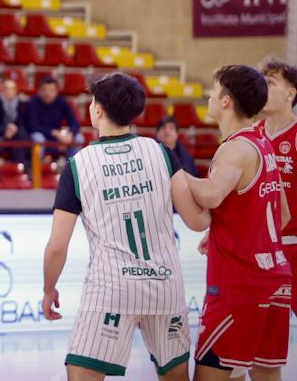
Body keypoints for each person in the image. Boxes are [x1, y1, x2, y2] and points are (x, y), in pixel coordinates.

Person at [41, 73, 208, 380]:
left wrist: (49, 288)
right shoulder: (160, 152)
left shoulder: (79, 165)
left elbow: (57, 247)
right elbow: (197, 221)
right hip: (165, 286)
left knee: (81, 375)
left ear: (98, 110)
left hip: (111, 289)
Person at [187, 65, 291, 380]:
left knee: (210, 376)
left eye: (213, 90)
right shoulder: (264, 144)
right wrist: (225, 228)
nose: (208, 95)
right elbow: (282, 214)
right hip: (276, 279)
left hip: (240, 285)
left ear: (227, 102)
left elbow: (212, 195)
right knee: (263, 375)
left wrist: (176, 176)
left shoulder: (233, 149)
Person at [256, 55, 297, 317]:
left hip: (292, 244)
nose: (263, 88)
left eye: (270, 83)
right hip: (259, 250)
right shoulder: (251, 133)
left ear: (290, 94)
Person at [24, 76, 83, 156]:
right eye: (44, 90)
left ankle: (71, 167)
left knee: (78, 138)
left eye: (51, 90)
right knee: (38, 138)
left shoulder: (61, 102)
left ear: (56, 91)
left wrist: (70, 134)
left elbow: (74, 122)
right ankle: (36, 167)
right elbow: (32, 126)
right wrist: (54, 132)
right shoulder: (33, 102)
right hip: (42, 136)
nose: (47, 94)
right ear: (39, 91)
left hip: (57, 137)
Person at [0, 78, 31, 167]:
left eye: (11, 89)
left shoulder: (21, 104)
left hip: (16, 136)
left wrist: (13, 130)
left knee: (22, 137)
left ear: (16, 90)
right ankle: (21, 168)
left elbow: (24, 123)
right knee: (20, 139)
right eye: (6, 88)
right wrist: (6, 130)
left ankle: (20, 167)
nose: (8, 91)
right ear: (1, 89)